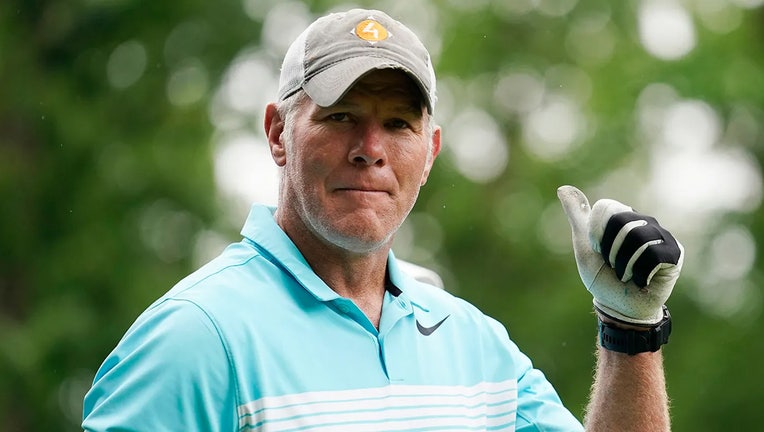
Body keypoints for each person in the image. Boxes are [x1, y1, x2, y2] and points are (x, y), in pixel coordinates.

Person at [82, 8, 684, 432]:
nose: (371, 146)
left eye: (399, 124)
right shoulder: (196, 338)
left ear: (430, 153)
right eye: (342, 115)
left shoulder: (474, 346)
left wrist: (630, 332)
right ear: (277, 134)